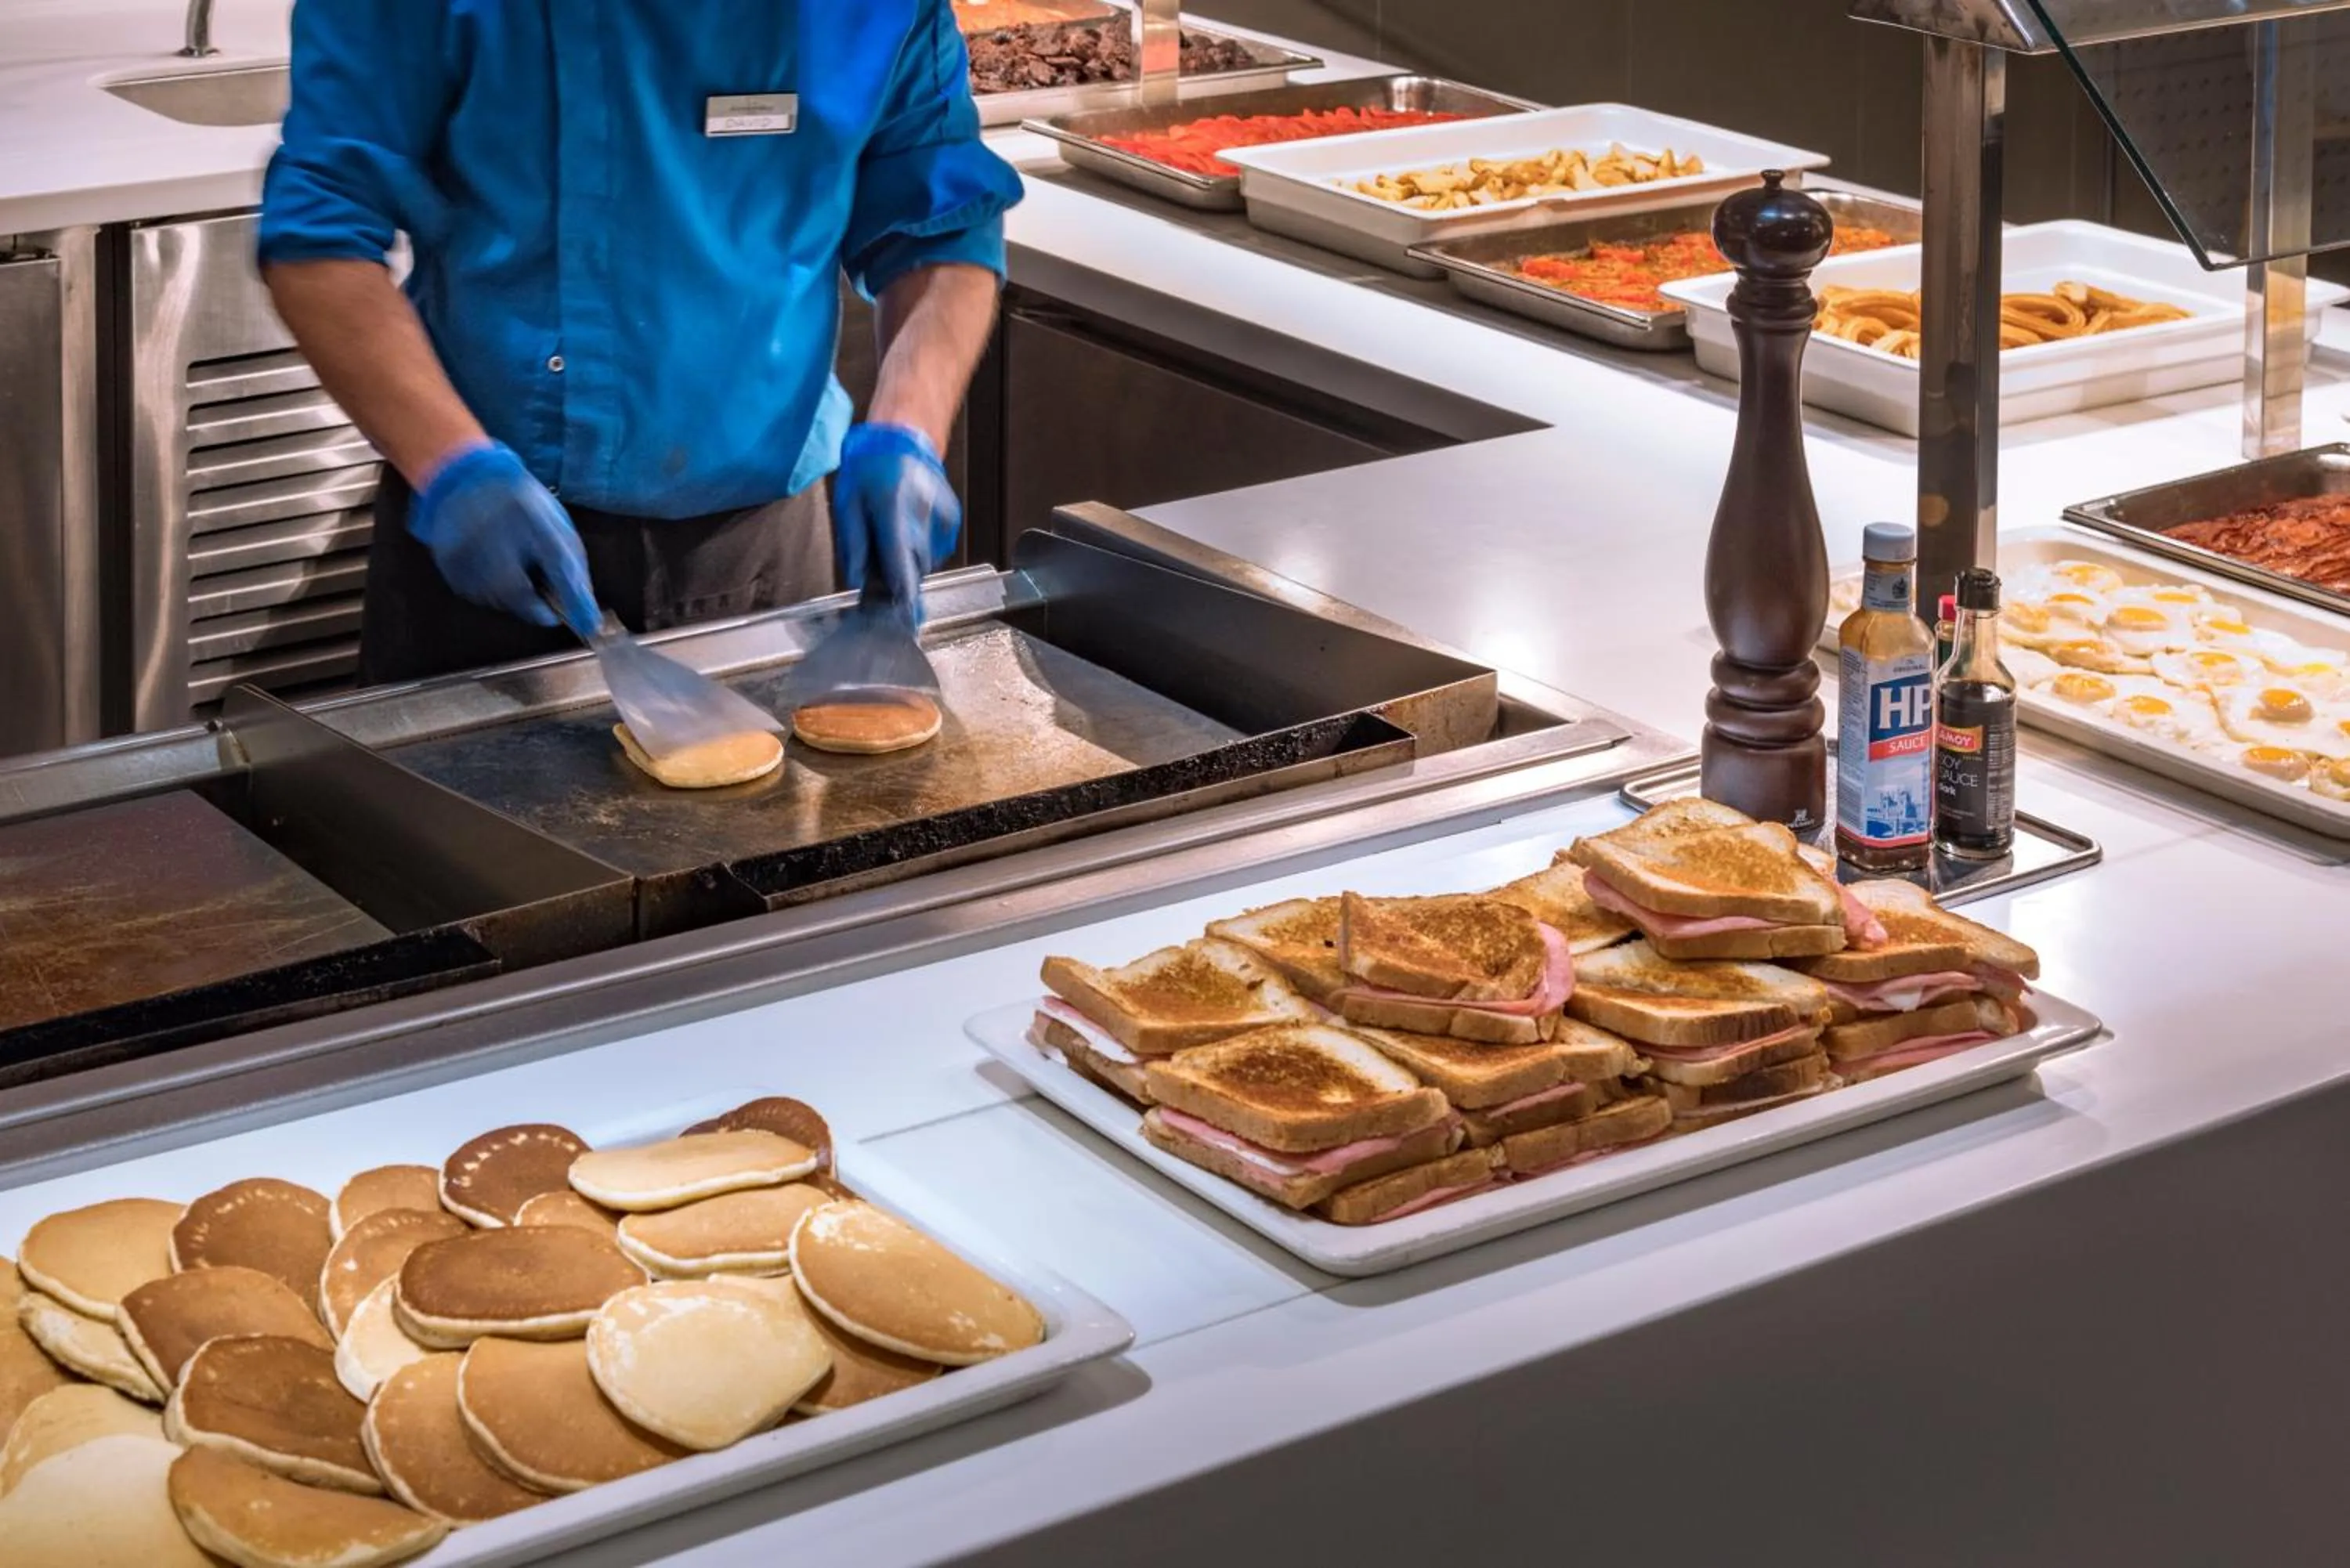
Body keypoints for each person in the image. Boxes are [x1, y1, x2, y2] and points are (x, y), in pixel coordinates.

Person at [257, 2, 1022, 685]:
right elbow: (320, 244)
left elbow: (941, 227)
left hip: (769, 550)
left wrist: (907, 429)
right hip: (485, 551)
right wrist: (454, 469)